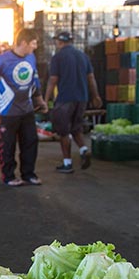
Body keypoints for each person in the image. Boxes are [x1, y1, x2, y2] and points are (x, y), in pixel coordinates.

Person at [0, 28, 48, 186]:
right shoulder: (2, 60)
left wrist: (40, 101)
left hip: (26, 109)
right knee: (8, 145)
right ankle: (8, 176)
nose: (35, 47)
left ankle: (28, 174)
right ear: (24, 43)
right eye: (33, 43)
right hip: (8, 111)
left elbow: (35, 81)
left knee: (30, 141)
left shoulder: (31, 58)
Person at [45, 31, 103, 173]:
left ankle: (67, 164)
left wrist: (45, 100)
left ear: (59, 42)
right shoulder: (83, 56)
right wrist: (96, 96)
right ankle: (84, 149)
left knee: (64, 132)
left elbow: (53, 80)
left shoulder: (57, 57)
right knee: (76, 128)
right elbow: (91, 78)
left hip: (65, 99)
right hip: (82, 99)